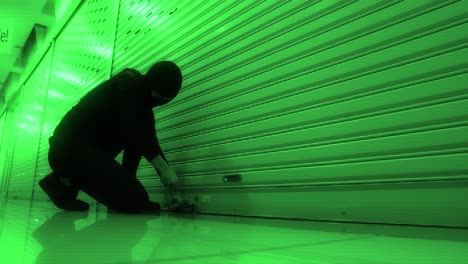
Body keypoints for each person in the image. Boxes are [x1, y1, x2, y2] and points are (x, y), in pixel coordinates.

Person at [40, 61, 182, 213]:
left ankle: (62, 185)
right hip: (68, 150)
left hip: (83, 153)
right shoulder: (128, 82)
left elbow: (146, 143)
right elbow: (132, 129)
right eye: (158, 97)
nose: (157, 102)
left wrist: (171, 188)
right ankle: (61, 181)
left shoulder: (144, 105)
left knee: (133, 195)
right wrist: (162, 168)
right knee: (137, 199)